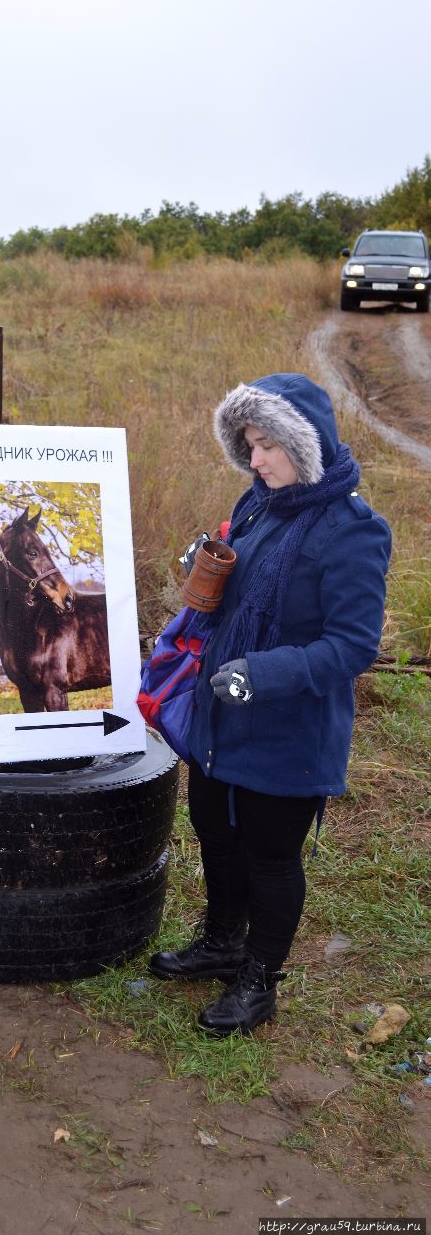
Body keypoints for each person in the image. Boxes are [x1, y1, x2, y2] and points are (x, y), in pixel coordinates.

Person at [149, 373, 391, 1036]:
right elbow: (238, 592)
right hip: (221, 715)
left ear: (301, 443)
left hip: (287, 722)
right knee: (213, 831)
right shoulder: (257, 505)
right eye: (247, 446)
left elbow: (349, 646)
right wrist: (208, 576)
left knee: (270, 856)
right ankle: (222, 941)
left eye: (264, 446)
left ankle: (259, 979)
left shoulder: (353, 531)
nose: (253, 461)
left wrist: (261, 672)